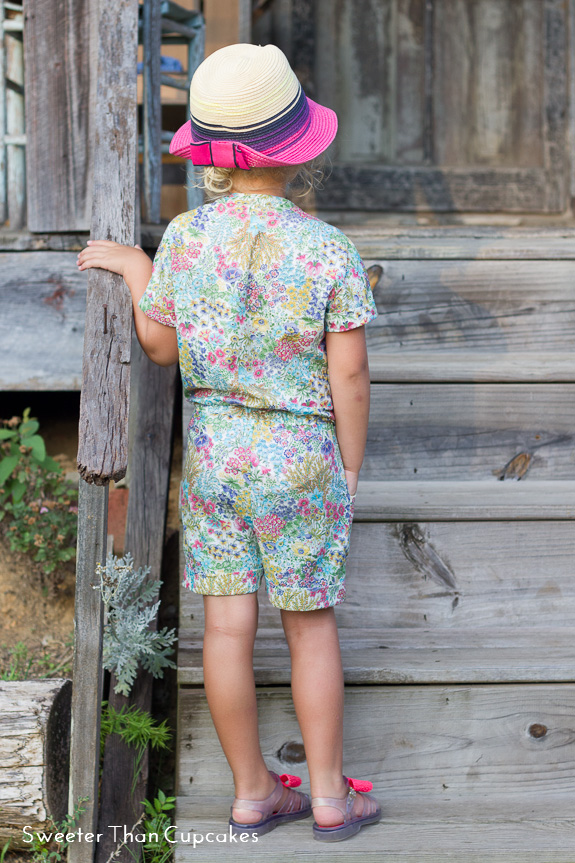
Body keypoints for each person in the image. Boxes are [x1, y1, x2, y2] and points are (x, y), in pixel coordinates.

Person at [77, 42, 381, 843]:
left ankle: (251, 792)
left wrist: (138, 268)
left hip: (216, 463)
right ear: (297, 147)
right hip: (301, 461)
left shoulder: (184, 239)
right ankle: (327, 795)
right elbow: (349, 375)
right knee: (309, 627)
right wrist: (349, 463)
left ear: (211, 154)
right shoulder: (328, 249)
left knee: (225, 631)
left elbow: (159, 346)